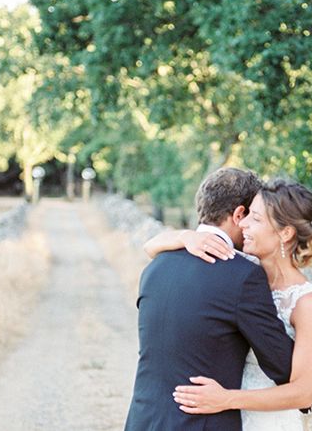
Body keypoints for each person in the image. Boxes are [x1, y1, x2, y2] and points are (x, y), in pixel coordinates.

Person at [124, 168, 295, 431]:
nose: (251, 226)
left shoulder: (156, 266)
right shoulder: (243, 276)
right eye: (253, 216)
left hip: (143, 420)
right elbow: (283, 366)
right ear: (239, 214)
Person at [152, 178, 312, 431]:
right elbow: (150, 247)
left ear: (285, 233)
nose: (242, 223)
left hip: (266, 420)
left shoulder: (305, 302)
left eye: (255, 219)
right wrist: (187, 237)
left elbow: (303, 393)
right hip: (221, 419)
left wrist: (227, 398)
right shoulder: (236, 272)